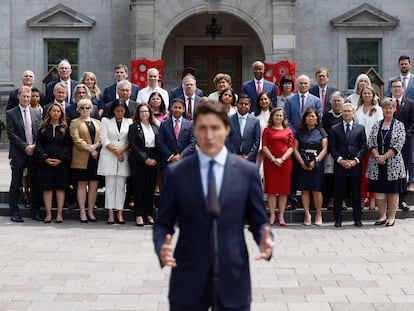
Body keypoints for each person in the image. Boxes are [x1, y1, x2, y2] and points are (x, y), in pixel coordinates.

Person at [153, 100, 274, 310]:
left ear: (227, 129)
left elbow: (259, 222)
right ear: (195, 132)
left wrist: (266, 239)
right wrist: (161, 245)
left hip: (233, 277)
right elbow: (163, 223)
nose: (209, 135)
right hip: (188, 277)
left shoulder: (247, 173)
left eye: (215, 128)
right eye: (202, 128)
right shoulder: (176, 173)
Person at [367, 98, 406, 227]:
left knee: (392, 190)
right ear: (382, 109)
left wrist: (385, 156)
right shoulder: (377, 124)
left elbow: (399, 144)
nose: (388, 110)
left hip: (393, 163)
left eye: (390, 108)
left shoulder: (399, 125)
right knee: (379, 190)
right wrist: (377, 155)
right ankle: (382, 216)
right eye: (385, 108)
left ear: (394, 109)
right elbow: (371, 142)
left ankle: (391, 217)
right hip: (376, 163)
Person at [6, 86, 43, 222]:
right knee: (16, 182)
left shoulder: (36, 113)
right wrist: (25, 147)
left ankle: (36, 212)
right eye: (24, 96)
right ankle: (14, 212)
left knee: (34, 183)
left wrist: (34, 146)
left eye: (29, 96)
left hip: (33, 153)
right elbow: (11, 134)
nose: (27, 99)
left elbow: (39, 132)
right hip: (19, 153)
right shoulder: (11, 113)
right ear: (18, 97)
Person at [329, 102, 367, 227]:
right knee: (338, 192)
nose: (346, 113)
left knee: (356, 193)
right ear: (342, 112)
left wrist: (355, 160)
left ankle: (357, 218)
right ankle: (338, 218)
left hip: (355, 165)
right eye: (344, 111)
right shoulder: (334, 128)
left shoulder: (360, 128)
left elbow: (363, 147)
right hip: (340, 165)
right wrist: (340, 160)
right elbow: (332, 147)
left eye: (349, 111)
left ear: (353, 112)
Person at [34, 103, 71, 223]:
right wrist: (45, 158)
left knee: (60, 188)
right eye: (54, 111)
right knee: (47, 188)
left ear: (61, 113)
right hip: (45, 163)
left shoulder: (65, 128)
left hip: (61, 163)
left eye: (58, 111)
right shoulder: (43, 128)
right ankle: (49, 214)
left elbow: (68, 145)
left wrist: (61, 158)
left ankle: (59, 214)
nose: (56, 113)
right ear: (49, 112)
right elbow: (38, 145)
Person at [97, 99, 132, 224]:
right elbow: (104, 139)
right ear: (113, 110)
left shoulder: (129, 121)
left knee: (121, 186)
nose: (120, 113)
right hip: (109, 155)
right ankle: (110, 212)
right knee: (110, 186)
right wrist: (117, 152)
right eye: (118, 111)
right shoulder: (105, 121)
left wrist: (121, 150)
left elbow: (130, 140)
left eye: (122, 111)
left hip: (124, 156)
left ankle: (120, 212)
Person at [293, 108, 328, 226]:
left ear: (317, 118)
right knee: (305, 189)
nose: (311, 118)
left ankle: (318, 214)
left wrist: (316, 161)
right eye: (308, 116)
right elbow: (295, 149)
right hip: (302, 161)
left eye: (313, 116)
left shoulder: (322, 131)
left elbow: (324, 149)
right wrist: (302, 162)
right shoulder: (299, 132)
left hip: (316, 161)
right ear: (305, 118)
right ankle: (307, 213)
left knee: (317, 190)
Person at [261, 107, 294, 226]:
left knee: (283, 191)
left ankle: (281, 216)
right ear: (272, 117)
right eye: (276, 115)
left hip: (285, 163)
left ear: (284, 118)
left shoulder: (288, 130)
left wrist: (282, 159)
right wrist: (273, 159)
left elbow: (291, 147)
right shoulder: (267, 130)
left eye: (280, 115)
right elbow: (264, 146)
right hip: (270, 162)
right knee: (271, 190)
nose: (278, 117)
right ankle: (272, 215)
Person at [69, 99, 101, 223]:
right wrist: (90, 149)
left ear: (91, 109)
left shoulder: (97, 122)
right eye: (82, 108)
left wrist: (95, 147)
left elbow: (102, 137)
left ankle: (91, 211)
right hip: (82, 157)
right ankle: (82, 211)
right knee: (82, 185)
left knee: (94, 185)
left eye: (87, 108)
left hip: (95, 157)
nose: (85, 110)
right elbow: (76, 139)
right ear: (78, 109)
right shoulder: (74, 122)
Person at [128, 103, 160, 226]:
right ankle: (139, 215)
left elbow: (159, 144)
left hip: (153, 159)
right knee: (139, 188)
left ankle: (149, 214)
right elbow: (133, 144)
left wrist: (155, 159)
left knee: (150, 188)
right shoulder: (134, 127)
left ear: (150, 113)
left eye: (146, 111)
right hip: (138, 160)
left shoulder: (155, 127)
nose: (144, 114)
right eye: (141, 112)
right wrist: (144, 158)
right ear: (138, 113)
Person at [354, 85, 383, 210]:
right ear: (361, 95)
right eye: (364, 93)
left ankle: (372, 199)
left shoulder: (377, 109)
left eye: (369, 93)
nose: (366, 95)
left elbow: (379, 127)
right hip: (360, 145)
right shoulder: (357, 109)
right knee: (361, 174)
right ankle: (362, 197)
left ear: (373, 95)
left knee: (372, 173)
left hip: (373, 145)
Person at [390, 78, 414, 211]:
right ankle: (390, 199)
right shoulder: (387, 103)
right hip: (389, 143)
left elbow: (412, 122)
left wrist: (406, 134)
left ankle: (402, 200)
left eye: (399, 86)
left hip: (405, 143)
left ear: (403, 89)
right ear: (391, 89)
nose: (397, 89)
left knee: (403, 170)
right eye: (394, 87)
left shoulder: (410, 103)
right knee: (390, 170)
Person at [157, 98, 196, 171]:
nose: (177, 109)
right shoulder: (164, 124)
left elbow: (193, 142)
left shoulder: (189, 124)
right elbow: (160, 142)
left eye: (179, 108)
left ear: (183, 109)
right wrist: (171, 156)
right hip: (168, 162)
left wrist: (181, 155)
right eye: (175, 107)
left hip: (185, 161)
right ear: (171, 108)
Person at [322, 91, 344, 210]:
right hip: (330, 151)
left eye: (338, 100)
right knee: (330, 176)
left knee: (343, 176)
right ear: (331, 103)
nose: (336, 103)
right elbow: (323, 133)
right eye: (334, 100)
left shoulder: (346, 115)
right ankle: (330, 200)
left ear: (343, 102)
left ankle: (342, 200)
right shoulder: (326, 116)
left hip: (344, 150)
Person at [226, 94, 261, 162]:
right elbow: (226, 139)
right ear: (237, 104)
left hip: (249, 159)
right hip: (232, 158)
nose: (243, 106)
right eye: (241, 103)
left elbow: (256, 141)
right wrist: (234, 155)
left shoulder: (255, 121)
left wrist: (249, 156)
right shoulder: (229, 119)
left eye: (246, 104)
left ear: (249, 105)